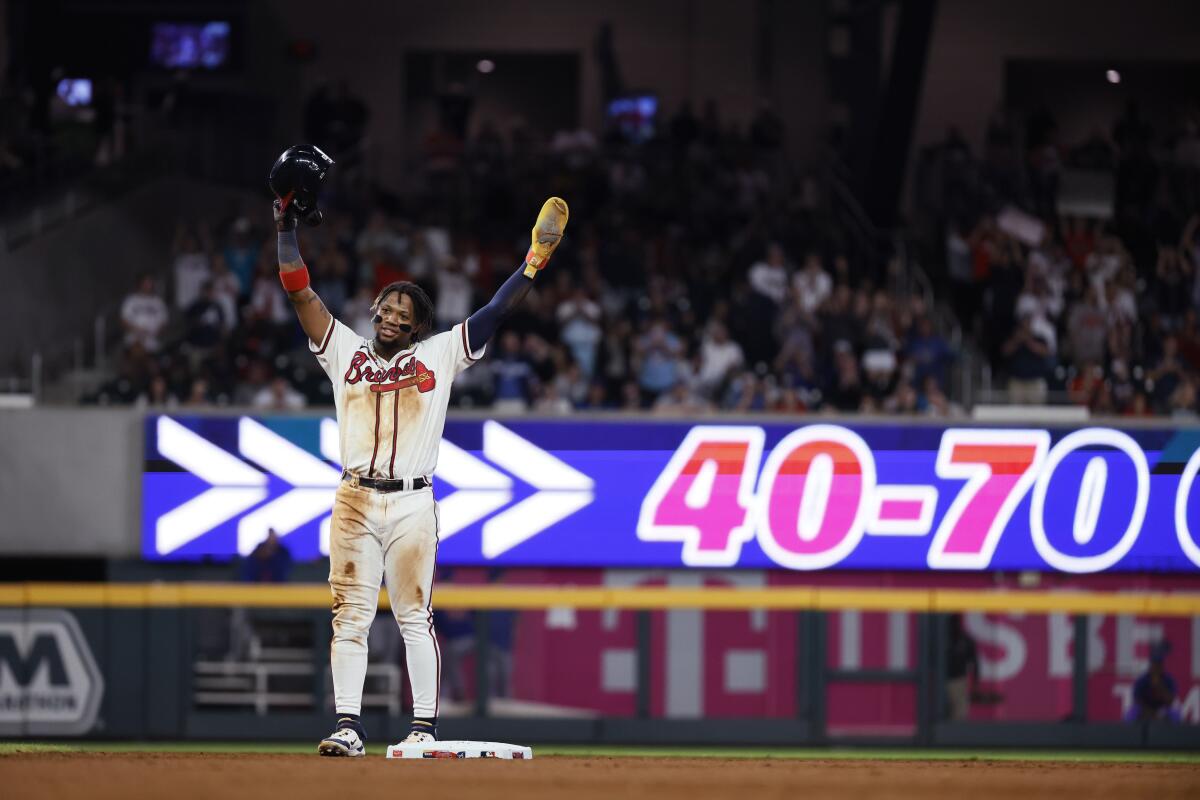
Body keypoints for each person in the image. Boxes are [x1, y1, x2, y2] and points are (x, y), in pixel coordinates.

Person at [273, 176, 569, 757]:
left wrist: (533, 263)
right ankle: (348, 726)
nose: (392, 316)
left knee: (414, 614)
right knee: (350, 615)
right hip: (355, 498)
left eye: (404, 312)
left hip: (412, 500)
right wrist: (285, 228)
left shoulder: (437, 354)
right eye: (387, 306)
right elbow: (299, 290)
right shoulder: (344, 350)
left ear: (417, 325)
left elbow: (493, 312)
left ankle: (423, 728)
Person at [1125, 642, 1180, 723]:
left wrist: (1159, 686)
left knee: (1175, 715)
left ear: (1162, 667)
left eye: (1158, 665)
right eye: (1154, 665)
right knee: (1130, 713)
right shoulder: (1142, 680)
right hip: (1145, 710)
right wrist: (1152, 714)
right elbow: (1137, 701)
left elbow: (1171, 701)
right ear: (1150, 666)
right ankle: (1130, 734)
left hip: (1163, 710)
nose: (1156, 668)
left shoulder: (1169, 680)